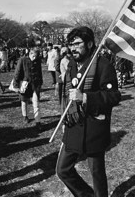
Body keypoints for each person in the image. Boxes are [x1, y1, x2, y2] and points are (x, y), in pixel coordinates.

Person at [56, 26, 121, 197]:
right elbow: (67, 93)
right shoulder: (71, 64)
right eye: (71, 44)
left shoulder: (102, 65)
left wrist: (85, 97)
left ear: (90, 43)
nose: (73, 48)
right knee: (62, 170)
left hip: (94, 128)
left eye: (77, 44)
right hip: (73, 124)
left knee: (97, 174)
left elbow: (113, 96)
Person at [13, 47, 43, 129]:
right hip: (25, 84)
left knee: (36, 102)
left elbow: (39, 72)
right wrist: (16, 85)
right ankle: (25, 116)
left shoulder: (38, 60)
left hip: (35, 84)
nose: (35, 58)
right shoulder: (22, 60)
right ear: (30, 54)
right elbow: (17, 72)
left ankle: (38, 121)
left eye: (37, 56)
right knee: (24, 101)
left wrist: (40, 83)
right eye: (34, 56)